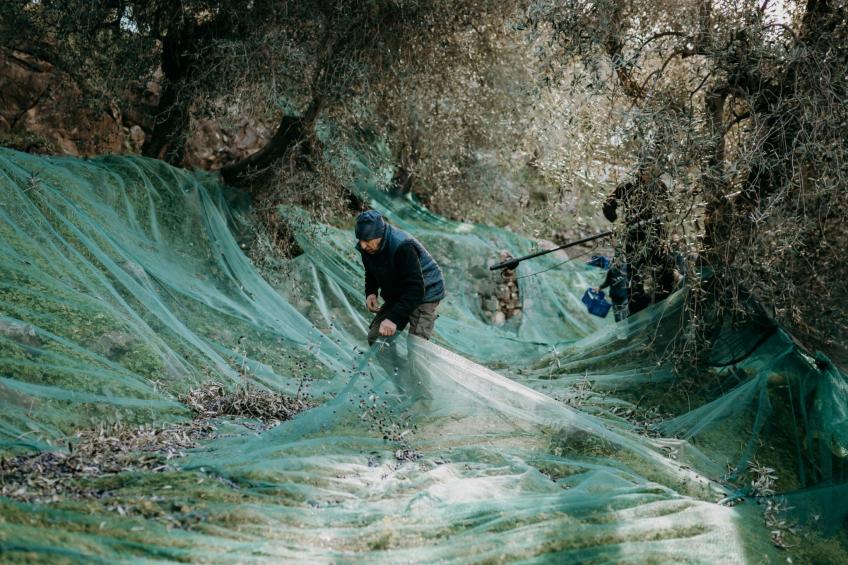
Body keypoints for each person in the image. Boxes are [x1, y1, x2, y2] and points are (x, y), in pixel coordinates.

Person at [355, 210, 445, 345]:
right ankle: (394, 361)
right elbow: (371, 270)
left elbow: (416, 289)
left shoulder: (403, 247)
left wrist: (393, 318)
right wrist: (371, 292)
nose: (363, 245)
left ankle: (414, 358)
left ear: (380, 235)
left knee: (416, 347)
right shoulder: (368, 248)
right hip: (399, 289)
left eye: (367, 240)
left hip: (426, 290)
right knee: (376, 339)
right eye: (360, 240)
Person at [602, 164, 676, 314]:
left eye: (653, 171)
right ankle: (636, 313)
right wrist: (617, 223)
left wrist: (668, 227)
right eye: (646, 171)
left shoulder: (659, 186)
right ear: (640, 172)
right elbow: (608, 205)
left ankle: (665, 309)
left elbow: (670, 208)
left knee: (663, 273)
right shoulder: (628, 186)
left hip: (656, 238)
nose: (649, 175)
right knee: (635, 278)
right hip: (634, 239)